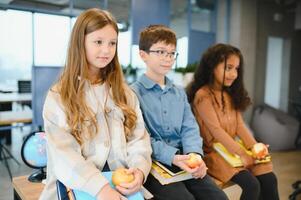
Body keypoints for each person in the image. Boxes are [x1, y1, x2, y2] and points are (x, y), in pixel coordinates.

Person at [40, 8, 152, 200]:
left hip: (125, 186)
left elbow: (138, 138)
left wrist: (139, 171)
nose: (106, 50)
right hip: (76, 186)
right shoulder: (59, 96)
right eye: (98, 42)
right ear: (80, 42)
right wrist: (101, 189)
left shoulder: (124, 92)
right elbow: (64, 154)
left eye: (112, 43)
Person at [131, 25, 228, 200]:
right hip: (152, 162)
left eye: (171, 53)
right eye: (160, 52)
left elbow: (189, 128)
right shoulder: (132, 94)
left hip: (184, 158)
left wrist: (195, 155)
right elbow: (140, 138)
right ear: (143, 55)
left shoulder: (179, 92)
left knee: (219, 198)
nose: (167, 58)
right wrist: (173, 157)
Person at [186, 43, 279, 200]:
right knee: (252, 185)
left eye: (236, 69)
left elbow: (239, 126)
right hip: (214, 155)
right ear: (212, 67)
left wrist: (255, 147)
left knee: (269, 179)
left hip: (231, 151)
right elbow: (216, 130)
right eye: (228, 68)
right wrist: (242, 153)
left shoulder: (228, 94)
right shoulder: (202, 96)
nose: (234, 74)